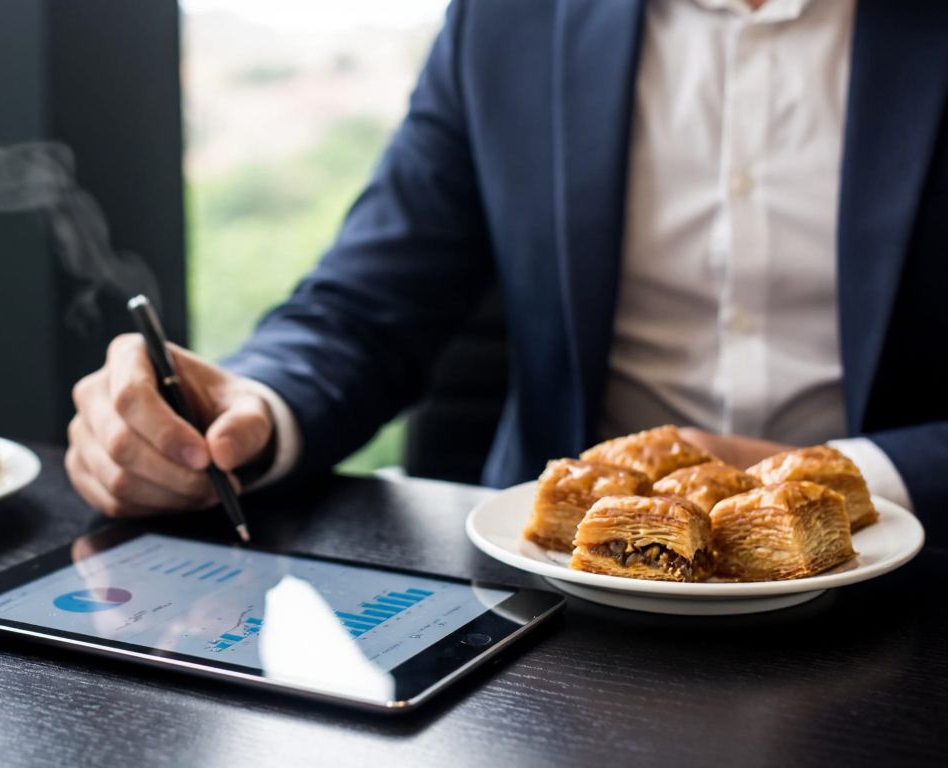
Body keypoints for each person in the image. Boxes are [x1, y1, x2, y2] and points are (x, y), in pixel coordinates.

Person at [66, 0, 948, 541]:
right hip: (557, 597)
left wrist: (837, 481)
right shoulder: (511, 16)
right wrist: (252, 409)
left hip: (903, 596)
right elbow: (365, 303)